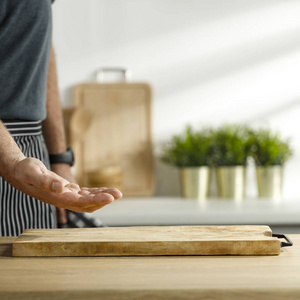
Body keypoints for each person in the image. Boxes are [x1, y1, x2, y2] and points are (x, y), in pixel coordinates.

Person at [0, 0, 122, 236]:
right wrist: (12, 162)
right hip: (15, 158)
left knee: (33, 271)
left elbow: (36, 44)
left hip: (32, 155)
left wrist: (59, 160)